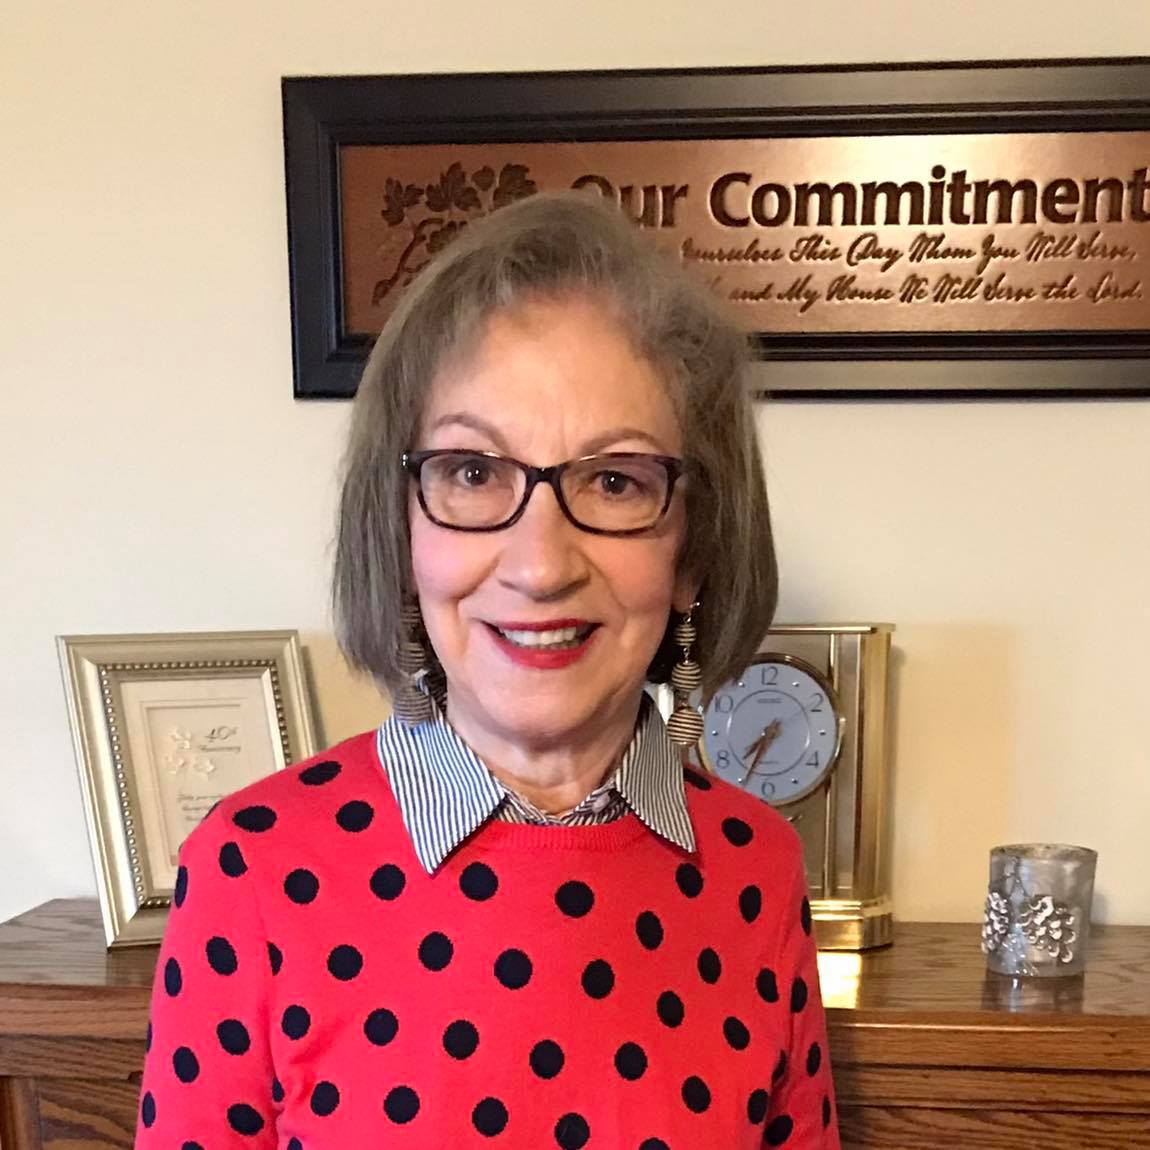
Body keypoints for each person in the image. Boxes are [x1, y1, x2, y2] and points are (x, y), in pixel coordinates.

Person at [134, 189, 841, 1148]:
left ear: (694, 551)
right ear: (401, 532)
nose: (541, 565)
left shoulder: (757, 866)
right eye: (473, 473)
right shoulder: (250, 870)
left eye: (616, 480)